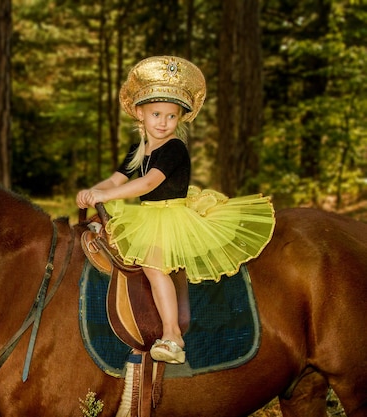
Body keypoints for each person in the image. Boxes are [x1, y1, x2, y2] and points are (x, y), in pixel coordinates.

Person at [76, 56, 275, 364]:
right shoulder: (138, 149)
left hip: (170, 216)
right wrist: (92, 192)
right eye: (156, 113)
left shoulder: (174, 149)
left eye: (171, 116)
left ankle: (173, 336)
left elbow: (147, 184)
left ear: (180, 119)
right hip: (147, 217)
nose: (162, 122)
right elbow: (117, 179)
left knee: (155, 268)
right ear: (140, 113)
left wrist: (107, 193)